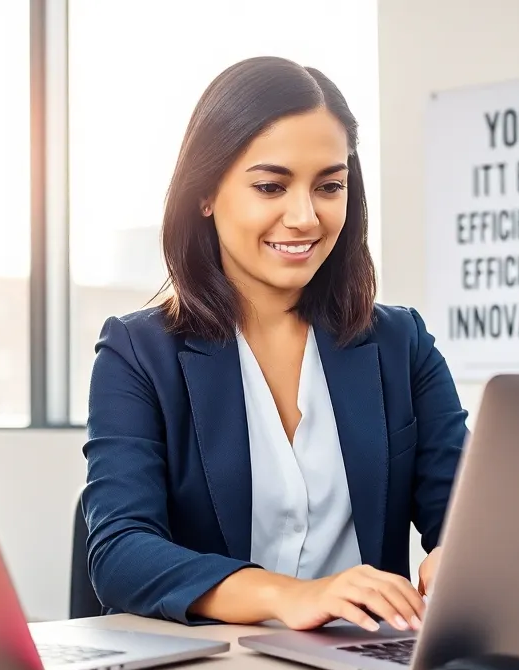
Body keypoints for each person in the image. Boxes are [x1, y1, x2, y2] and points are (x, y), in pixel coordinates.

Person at [81, 56, 469, 634]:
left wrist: (460, 559)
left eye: (329, 186)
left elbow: (468, 518)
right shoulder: (139, 353)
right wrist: (289, 596)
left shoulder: (399, 343)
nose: (305, 217)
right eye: (271, 186)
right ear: (205, 194)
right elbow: (120, 554)